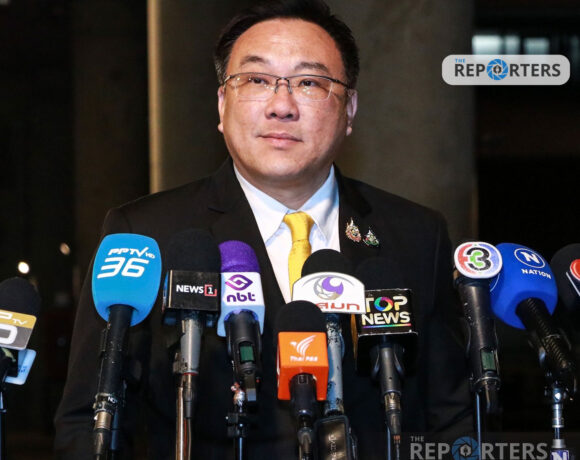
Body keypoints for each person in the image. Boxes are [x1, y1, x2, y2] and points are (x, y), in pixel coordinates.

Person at [54, 1, 472, 458]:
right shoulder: (145, 234)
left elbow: (452, 416)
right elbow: (88, 423)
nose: (281, 106)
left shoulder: (416, 235)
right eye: (256, 80)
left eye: (309, 83)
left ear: (349, 109)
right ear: (222, 103)